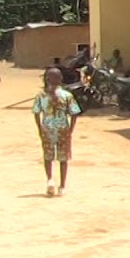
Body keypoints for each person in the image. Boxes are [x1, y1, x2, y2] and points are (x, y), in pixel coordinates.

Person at [32, 67, 82, 197]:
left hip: (52, 129)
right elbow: (75, 112)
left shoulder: (46, 96)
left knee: (54, 157)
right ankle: (57, 184)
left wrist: (40, 127)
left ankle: (55, 182)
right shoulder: (62, 95)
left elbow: (37, 113)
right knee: (57, 157)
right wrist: (70, 129)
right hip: (57, 129)